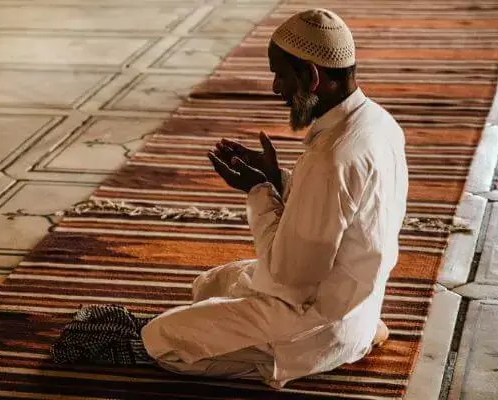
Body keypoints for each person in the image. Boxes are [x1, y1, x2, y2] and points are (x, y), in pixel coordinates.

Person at [140, 8, 409, 388]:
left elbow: (290, 274)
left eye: (281, 75)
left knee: (159, 340)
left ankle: (306, 356)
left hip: (312, 316)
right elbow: (339, 208)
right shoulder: (379, 122)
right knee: (210, 284)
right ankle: (359, 329)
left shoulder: (331, 158)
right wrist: (276, 178)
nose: (275, 88)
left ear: (311, 76)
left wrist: (259, 192)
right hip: (349, 295)